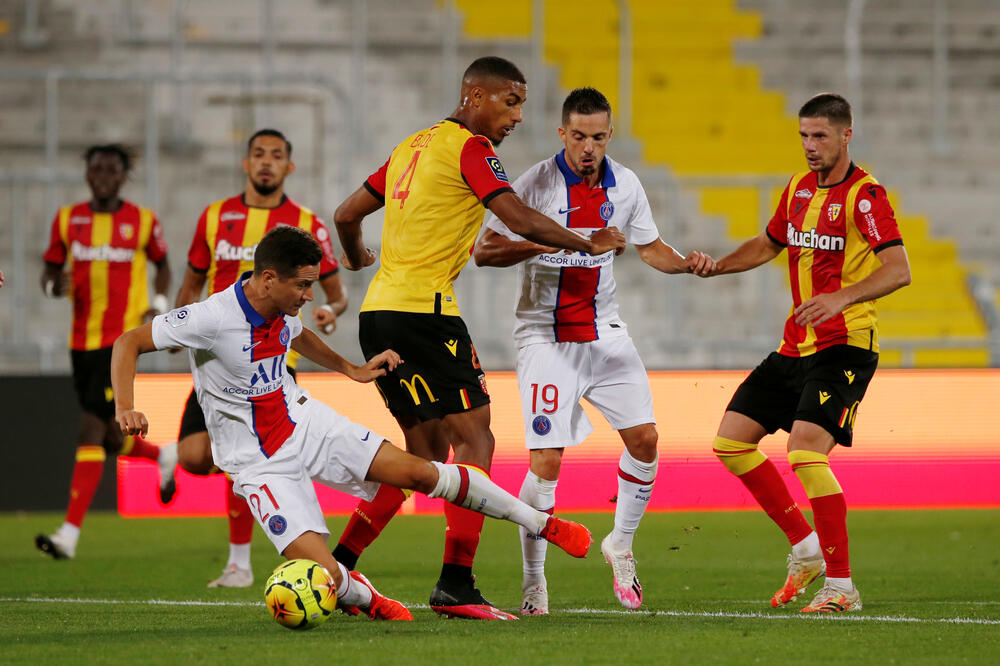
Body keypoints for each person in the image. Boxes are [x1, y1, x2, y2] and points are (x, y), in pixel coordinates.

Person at [110, 225, 593, 621]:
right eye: (301, 285)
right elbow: (126, 343)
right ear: (269, 278)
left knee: (421, 472)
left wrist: (350, 370)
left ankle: (542, 522)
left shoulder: (279, 307)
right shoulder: (210, 317)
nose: (307, 294)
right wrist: (125, 407)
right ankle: (363, 597)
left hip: (306, 424)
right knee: (325, 574)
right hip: (256, 463)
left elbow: (298, 336)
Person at [330, 56, 626, 620]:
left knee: (423, 453)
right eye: (509, 100)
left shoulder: (411, 146)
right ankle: (457, 582)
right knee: (477, 440)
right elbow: (515, 216)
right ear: (474, 95)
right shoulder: (472, 150)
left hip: (379, 314)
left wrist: (357, 258)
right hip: (426, 316)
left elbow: (347, 214)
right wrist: (586, 242)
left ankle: (337, 564)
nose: (517, 115)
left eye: (520, 102)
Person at [473, 87, 712, 614]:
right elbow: (484, 251)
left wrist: (688, 264)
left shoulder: (625, 184)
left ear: (609, 135)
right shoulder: (533, 183)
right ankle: (534, 579)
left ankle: (620, 545)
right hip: (544, 334)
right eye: (578, 136)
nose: (588, 147)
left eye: (598, 137)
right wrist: (568, 240)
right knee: (547, 460)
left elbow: (649, 247)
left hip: (604, 330)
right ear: (562, 133)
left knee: (646, 439)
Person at [698, 93, 910, 613]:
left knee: (805, 452)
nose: (810, 146)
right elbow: (770, 244)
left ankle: (841, 587)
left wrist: (839, 297)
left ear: (845, 136)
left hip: (846, 345)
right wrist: (719, 266)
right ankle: (805, 547)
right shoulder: (795, 189)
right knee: (730, 444)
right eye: (804, 136)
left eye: (820, 136)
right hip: (795, 345)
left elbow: (899, 268)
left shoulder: (865, 196)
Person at [172, 128, 349, 588]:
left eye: (276, 156)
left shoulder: (305, 223)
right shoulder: (215, 217)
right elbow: (193, 281)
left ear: (289, 167)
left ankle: (241, 562)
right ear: (245, 164)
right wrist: (175, 321)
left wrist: (330, 310)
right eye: (257, 155)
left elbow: (335, 292)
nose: (266, 162)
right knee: (194, 457)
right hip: (219, 356)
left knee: (251, 454)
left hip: (273, 361)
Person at [36, 143, 175, 560]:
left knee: (89, 429)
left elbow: (163, 265)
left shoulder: (142, 221)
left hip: (120, 341)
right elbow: (48, 271)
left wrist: (160, 305)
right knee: (112, 436)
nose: (101, 175)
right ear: (87, 174)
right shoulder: (67, 220)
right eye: (94, 168)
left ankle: (69, 535)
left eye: (110, 169)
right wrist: (50, 286)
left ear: (122, 175)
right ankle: (165, 456)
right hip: (79, 341)